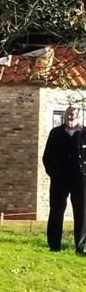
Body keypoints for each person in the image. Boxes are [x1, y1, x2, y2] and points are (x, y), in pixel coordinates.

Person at [42, 106, 86, 254]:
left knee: (81, 212)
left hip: (80, 179)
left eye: (72, 115)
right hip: (60, 179)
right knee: (56, 211)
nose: (70, 117)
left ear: (78, 116)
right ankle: (54, 246)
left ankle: (80, 247)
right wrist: (54, 173)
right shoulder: (55, 133)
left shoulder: (84, 133)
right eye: (67, 114)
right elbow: (47, 156)